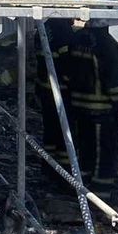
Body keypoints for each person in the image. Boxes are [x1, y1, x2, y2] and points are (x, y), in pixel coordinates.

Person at [68, 19, 118, 200]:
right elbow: (113, 80)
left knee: (85, 151)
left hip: (78, 106)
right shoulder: (107, 44)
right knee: (104, 154)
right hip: (102, 110)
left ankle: (81, 190)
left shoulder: (76, 38)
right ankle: (100, 196)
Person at [34, 18, 75, 179]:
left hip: (46, 89)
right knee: (65, 135)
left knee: (50, 132)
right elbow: (68, 63)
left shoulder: (44, 28)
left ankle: (48, 169)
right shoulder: (63, 30)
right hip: (61, 92)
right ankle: (66, 174)